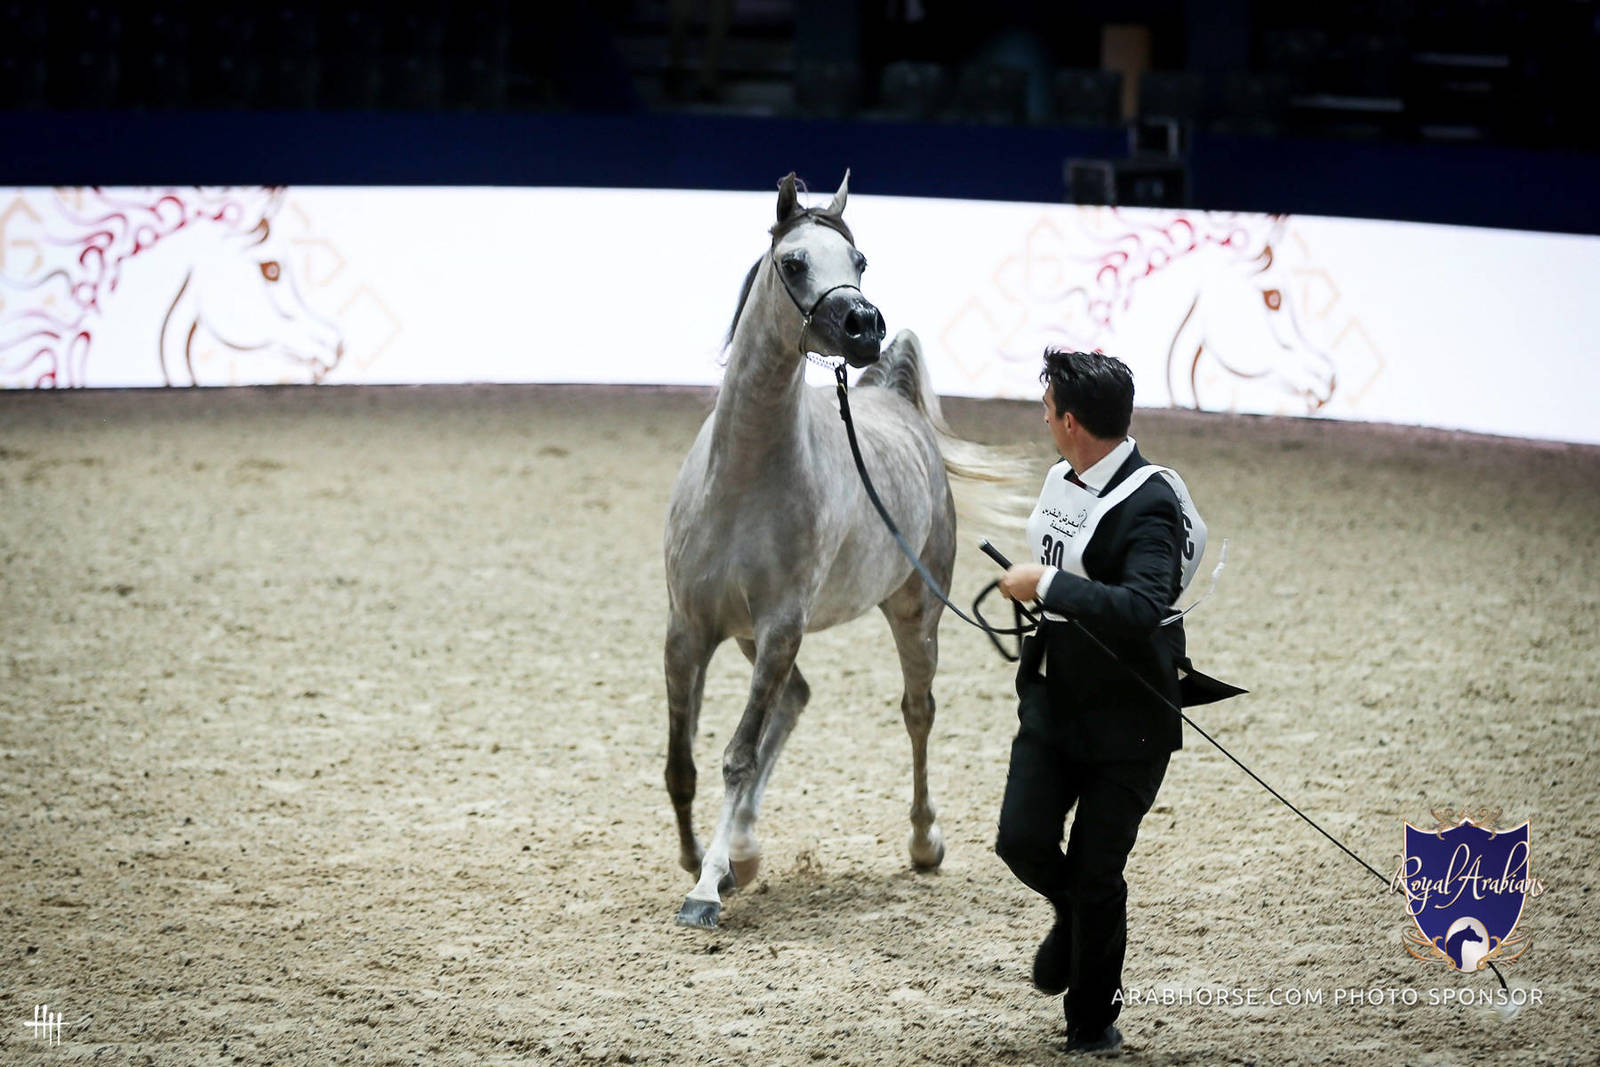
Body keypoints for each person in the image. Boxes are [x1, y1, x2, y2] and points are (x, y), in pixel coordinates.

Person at [994, 347, 1237, 1056]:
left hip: (1129, 717)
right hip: (1056, 696)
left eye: (1046, 411)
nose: (1043, 420)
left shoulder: (1151, 501)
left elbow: (1141, 604)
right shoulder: (1061, 478)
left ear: (1071, 422)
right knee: (1021, 838)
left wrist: (1045, 585)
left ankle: (1091, 1019)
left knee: (1100, 868)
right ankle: (1070, 912)